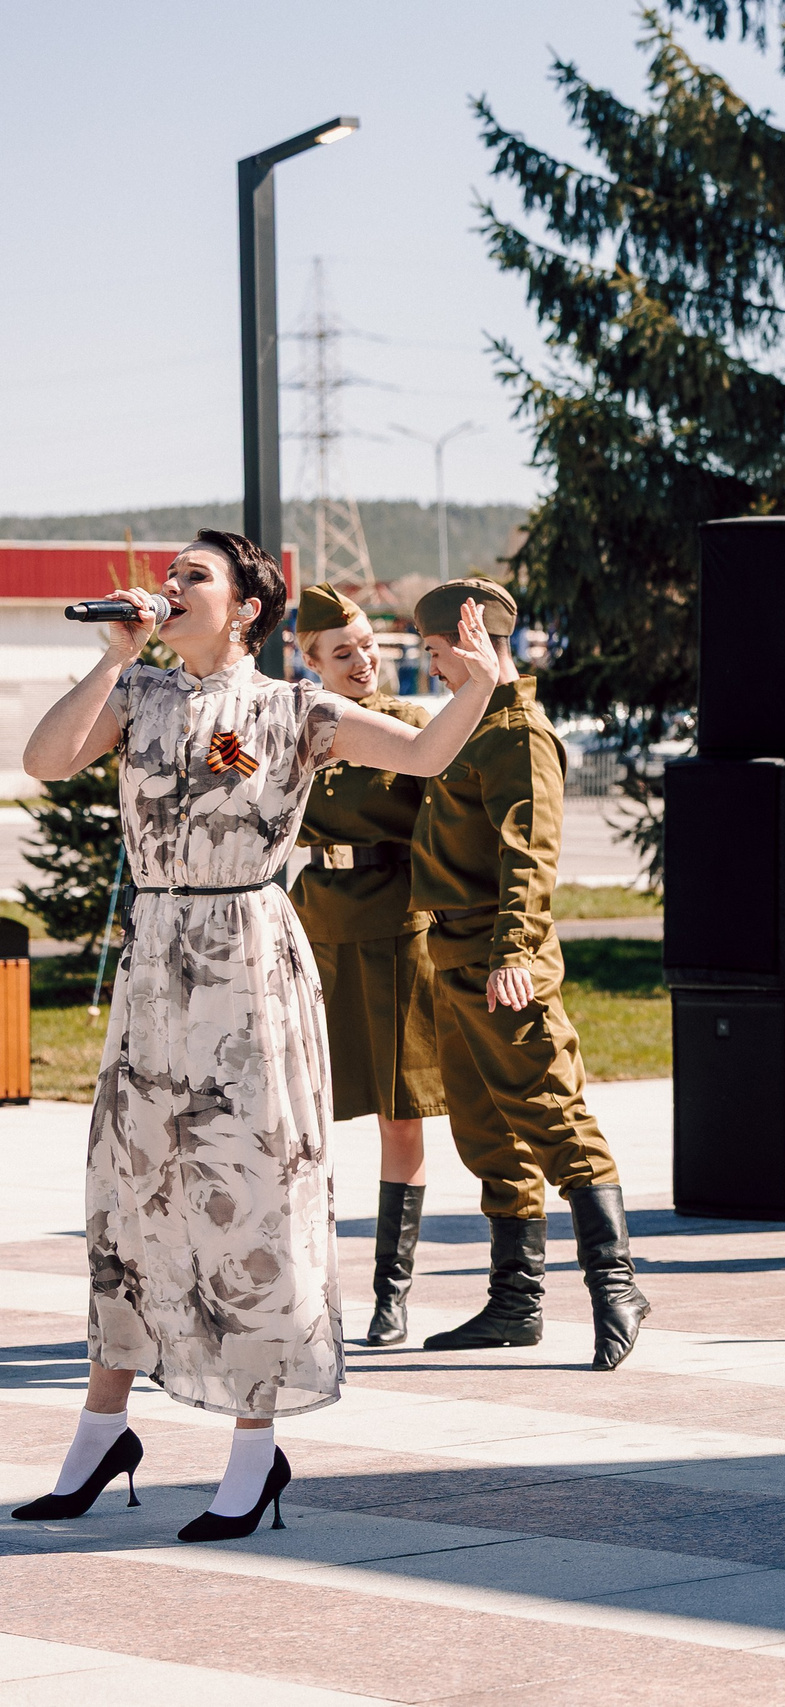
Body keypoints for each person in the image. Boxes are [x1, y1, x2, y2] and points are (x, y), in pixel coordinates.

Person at [12, 531, 501, 1539]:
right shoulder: (138, 694)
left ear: (245, 607)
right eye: (172, 574)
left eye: (195, 576)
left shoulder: (292, 709)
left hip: (244, 958)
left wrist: (478, 685)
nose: (171, 586)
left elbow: (418, 755)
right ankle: (104, 1432)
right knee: (131, 1196)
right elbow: (44, 759)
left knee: (251, 1199)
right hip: (156, 961)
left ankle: (252, 1450)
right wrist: (113, 657)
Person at [407, 579, 648, 1371]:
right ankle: (515, 1302)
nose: (433, 668)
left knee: (554, 1119)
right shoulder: (467, 724)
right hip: (454, 959)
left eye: (438, 652)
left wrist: (514, 952)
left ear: (474, 636)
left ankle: (617, 1285)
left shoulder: (517, 732)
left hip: (501, 966)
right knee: (486, 1133)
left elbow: (530, 854)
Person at [289, 585, 443, 1347]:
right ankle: (308, 1289)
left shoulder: (411, 727)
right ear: (307, 660)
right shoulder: (293, 727)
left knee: (398, 1113)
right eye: (342, 651)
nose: (362, 661)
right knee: (302, 1120)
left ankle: (392, 1293)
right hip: (315, 929)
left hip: (396, 930)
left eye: (368, 646)